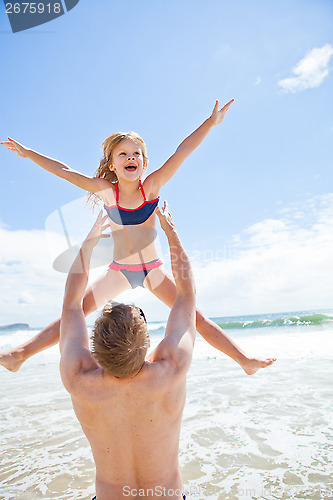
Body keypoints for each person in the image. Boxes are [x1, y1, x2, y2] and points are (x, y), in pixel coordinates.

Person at [0, 100, 275, 375]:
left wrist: (210, 122)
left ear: (144, 163)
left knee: (195, 316)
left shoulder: (152, 187)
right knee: (74, 313)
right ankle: (18, 355)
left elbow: (183, 151)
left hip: (151, 270)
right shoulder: (107, 192)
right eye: (123, 154)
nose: (130, 157)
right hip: (119, 271)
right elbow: (64, 171)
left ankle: (244, 360)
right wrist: (28, 153)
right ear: (113, 164)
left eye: (136, 153)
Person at [60, 203, 195, 499]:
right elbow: (186, 296)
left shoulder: (78, 377)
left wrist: (92, 238)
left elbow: (71, 304)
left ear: (95, 349)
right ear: (149, 344)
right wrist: (170, 232)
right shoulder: (171, 369)